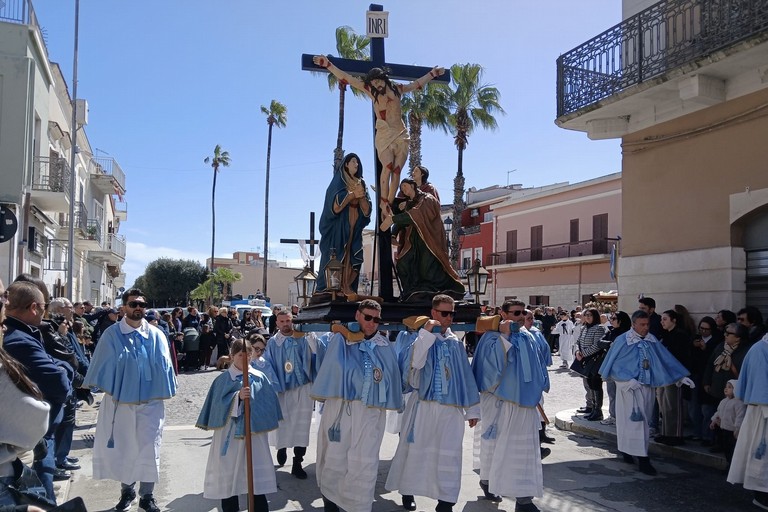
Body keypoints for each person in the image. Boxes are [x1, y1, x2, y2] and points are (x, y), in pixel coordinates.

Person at [83, 288, 177, 512]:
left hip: (150, 403)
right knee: (126, 448)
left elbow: (165, 365)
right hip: (121, 403)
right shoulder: (112, 334)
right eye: (133, 304)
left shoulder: (156, 334)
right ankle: (127, 491)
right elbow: (103, 364)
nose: (138, 308)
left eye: (142, 305)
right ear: (124, 307)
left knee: (149, 448)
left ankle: (147, 496)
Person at [385, 295, 480, 512]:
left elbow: (465, 375)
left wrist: (472, 409)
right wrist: (427, 334)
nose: (449, 318)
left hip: (451, 409)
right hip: (423, 406)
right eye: (445, 313)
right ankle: (408, 492)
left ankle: (446, 502)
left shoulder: (455, 343)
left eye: (452, 314)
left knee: (450, 456)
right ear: (434, 313)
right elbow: (415, 364)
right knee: (415, 451)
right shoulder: (420, 338)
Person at [312, 56, 445, 209]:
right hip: (384, 134)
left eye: (378, 81)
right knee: (387, 167)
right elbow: (347, 78)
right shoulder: (370, 91)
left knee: (396, 171)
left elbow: (416, 84)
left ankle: (389, 203)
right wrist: (327, 64)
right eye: (374, 83)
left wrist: (433, 74)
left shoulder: (397, 89)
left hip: (400, 133)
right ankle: (383, 202)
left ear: (384, 78)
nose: (376, 85)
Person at [312, 300, 403, 512]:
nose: (372, 323)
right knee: (335, 455)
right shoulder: (341, 340)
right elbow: (331, 367)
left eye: (376, 319)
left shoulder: (384, 346)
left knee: (365, 460)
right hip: (342, 408)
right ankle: (330, 502)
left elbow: (391, 375)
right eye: (367, 317)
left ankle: (358, 505)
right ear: (357, 315)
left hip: (371, 413)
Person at [471, 300, 549, 512]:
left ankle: (524, 499)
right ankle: (487, 481)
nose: (521, 316)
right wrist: (504, 337)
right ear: (503, 314)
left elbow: (538, 364)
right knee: (495, 447)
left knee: (522, 451)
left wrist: (537, 388)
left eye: (523, 312)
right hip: (500, 402)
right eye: (516, 313)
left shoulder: (527, 336)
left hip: (525, 402)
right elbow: (487, 369)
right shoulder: (491, 337)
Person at [599, 310, 693, 476]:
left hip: (647, 387)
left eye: (647, 324)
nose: (645, 328)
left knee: (644, 421)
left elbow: (664, 360)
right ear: (634, 324)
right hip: (628, 389)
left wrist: (679, 377)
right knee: (634, 423)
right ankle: (642, 458)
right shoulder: (623, 340)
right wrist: (627, 380)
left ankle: (629, 450)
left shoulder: (652, 339)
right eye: (642, 324)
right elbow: (613, 365)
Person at [2, 281, 71, 504]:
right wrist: (64, 370)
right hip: (28, 442)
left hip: (29, 440)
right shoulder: (18, 339)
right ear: (34, 307)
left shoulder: (27, 333)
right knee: (41, 497)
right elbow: (59, 382)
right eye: (44, 307)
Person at [196, 338, 282, 512]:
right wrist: (237, 398)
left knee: (255, 480)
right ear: (232, 356)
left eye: (248, 354)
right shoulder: (223, 380)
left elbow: (268, 405)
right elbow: (217, 408)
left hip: (254, 435)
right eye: (240, 355)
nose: (245, 358)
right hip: (230, 435)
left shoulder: (259, 377)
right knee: (229, 480)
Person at [382, 179, 464, 301]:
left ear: (412, 185)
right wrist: (393, 234)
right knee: (402, 264)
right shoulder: (410, 203)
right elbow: (403, 219)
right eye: (401, 188)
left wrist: (393, 220)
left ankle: (435, 290)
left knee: (427, 268)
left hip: (429, 240)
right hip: (413, 240)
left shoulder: (427, 199)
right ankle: (410, 292)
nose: (403, 189)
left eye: (405, 186)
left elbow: (416, 215)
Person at [263, 309, 317, 479]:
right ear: (277, 323)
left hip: (303, 388)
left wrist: (310, 336)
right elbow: (267, 365)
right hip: (282, 390)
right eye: (282, 322)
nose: (286, 324)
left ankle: (297, 462)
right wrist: (274, 386)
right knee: (283, 424)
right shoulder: (273, 343)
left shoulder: (303, 337)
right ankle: (282, 448)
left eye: (288, 321)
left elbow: (316, 353)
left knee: (302, 426)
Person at [316, 152, 372, 298]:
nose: (356, 164)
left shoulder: (361, 183)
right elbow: (334, 207)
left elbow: (367, 211)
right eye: (353, 161)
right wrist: (352, 195)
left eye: (357, 162)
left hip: (355, 225)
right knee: (336, 254)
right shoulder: (339, 182)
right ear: (346, 164)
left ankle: (346, 286)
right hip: (339, 227)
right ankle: (329, 288)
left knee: (352, 254)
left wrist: (361, 198)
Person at [727, 332, 768, 509]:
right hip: (762, 411)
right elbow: (760, 385)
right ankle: (761, 496)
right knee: (761, 456)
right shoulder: (760, 349)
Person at [702, 323, 750, 453]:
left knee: (732, 420)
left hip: (734, 392)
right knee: (718, 416)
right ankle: (718, 442)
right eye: (725, 332)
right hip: (718, 388)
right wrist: (706, 382)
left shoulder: (746, 351)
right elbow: (710, 364)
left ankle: (731, 447)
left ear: (738, 337)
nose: (725, 335)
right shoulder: (720, 347)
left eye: (729, 333)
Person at [598, 311, 632, 426]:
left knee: (623, 394)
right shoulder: (610, 331)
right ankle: (613, 416)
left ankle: (624, 416)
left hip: (623, 368)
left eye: (613, 319)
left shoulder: (628, 335)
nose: (611, 321)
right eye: (610, 318)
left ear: (621, 321)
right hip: (610, 366)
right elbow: (599, 342)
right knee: (612, 393)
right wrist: (610, 344)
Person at [574, 308, 607, 421]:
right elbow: (578, 341)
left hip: (595, 360)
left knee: (596, 383)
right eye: (586, 315)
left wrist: (584, 354)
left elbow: (597, 345)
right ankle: (592, 408)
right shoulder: (584, 328)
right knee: (590, 383)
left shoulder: (599, 328)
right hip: (586, 360)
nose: (587, 317)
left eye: (590, 315)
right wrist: (577, 352)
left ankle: (598, 411)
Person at [710, 379, 746, 468]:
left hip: (732, 431)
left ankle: (732, 466)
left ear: (736, 389)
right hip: (723, 428)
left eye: (729, 387)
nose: (726, 389)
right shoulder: (723, 401)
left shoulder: (739, 403)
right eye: (726, 387)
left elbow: (740, 417)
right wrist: (714, 420)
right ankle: (728, 464)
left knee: (732, 449)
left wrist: (737, 428)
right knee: (726, 448)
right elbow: (718, 412)